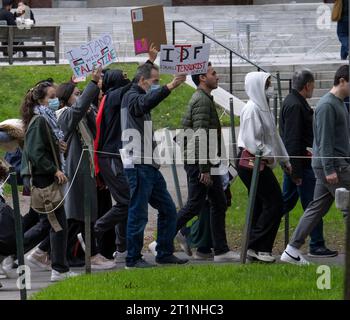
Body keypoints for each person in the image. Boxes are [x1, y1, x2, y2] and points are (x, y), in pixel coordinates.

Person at [120, 63, 188, 269]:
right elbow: (143, 104)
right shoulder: (132, 97)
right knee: (138, 213)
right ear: (142, 80)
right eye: (155, 81)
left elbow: (145, 104)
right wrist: (170, 86)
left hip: (148, 164)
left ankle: (164, 252)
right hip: (138, 164)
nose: (157, 85)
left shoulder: (137, 97)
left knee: (168, 208)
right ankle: (132, 259)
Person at [282, 65, 350, 265]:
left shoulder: (338, 103)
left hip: (330, 165)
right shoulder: (328, 105)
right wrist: (329, 169)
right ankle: (292, 249)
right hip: (333, 166)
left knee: (316, 208)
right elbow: (324, 139)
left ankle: (291, 249)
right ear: (343, 80)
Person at [173, 63, 239, 262]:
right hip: (200, 162)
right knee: (195, 205)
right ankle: (162, 240)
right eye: (213, 73)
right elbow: (202, 135)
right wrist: (205, 169)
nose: (217, 77)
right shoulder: (201, 101)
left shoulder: (204, 99)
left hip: (205, 161)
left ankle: (221, 250)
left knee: (218, 203)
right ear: (202, 78)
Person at [56, 68, 115, 270]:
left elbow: (94, 128)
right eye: (76, 94)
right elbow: (76, 111)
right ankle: (58, 254)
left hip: (85, 168)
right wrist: (92, 83)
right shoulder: (63, 115)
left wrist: (89, 109)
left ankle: (89, 253)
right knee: (75, 215)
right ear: (66, 98)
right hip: (74, 170)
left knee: (85, 213)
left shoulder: (79, 113)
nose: (79, 97)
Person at [20, 80, 77, 281]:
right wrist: (54, 170)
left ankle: (12, 254)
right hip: (45, 180)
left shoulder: (46, 119)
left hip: (46, 179)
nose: (55, 101)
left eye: (56, 97)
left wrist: (58, 147)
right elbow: (36, 153)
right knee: (55, 224)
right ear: (41, 100)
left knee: (51, 224)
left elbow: (43, 148)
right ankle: (59, 269)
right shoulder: (40, 121)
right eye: (51, 97)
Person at [236, 71, 292, 263]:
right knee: (274, 202)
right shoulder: (252, 109)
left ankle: (258, 248)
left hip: (260, 161)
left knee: (263, 204)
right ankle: (256, 244)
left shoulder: (263, 108)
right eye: (267, 84)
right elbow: (253, 142)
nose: (271, 88)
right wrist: (272, 157)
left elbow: (274, 137)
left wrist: (284, 160)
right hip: (251, 162)